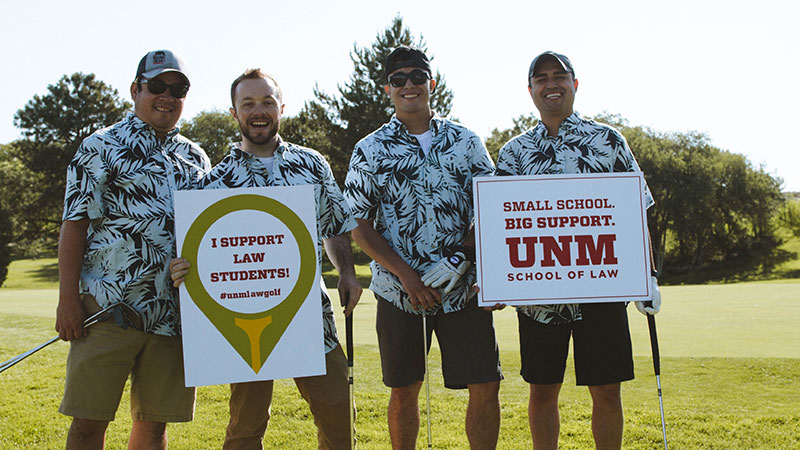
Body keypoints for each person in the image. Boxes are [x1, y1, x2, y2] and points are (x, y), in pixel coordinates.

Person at [169, 68, 362, 450]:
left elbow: (336, 225)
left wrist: (348, 273)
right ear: (234, 113)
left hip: (308, 315)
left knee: (339, 415)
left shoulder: (311, 165)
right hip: (245, 325)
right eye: (249, 103)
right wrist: (182, 268)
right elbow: (200, 255)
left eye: (267, 102)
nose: (259, 111)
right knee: (246, 427)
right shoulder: (214, 183)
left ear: (281, 108)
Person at [494, 51, 661, 450]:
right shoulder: (514, 153)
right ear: (531, 89)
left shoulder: (607, 140)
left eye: (560, 76)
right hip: (539, 296)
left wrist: (648, 275)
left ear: (575, 83)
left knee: (606, 392)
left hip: (601, 291)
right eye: (542, 78)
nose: (551, 84)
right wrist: (497, 281)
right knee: (542, 392)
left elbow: (636, 210)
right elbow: (499, 224)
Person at [343, 46, 503, 450]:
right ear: (387, 89)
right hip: (399, 294)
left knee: (484, 385)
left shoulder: (466, 142)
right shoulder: (370, 149)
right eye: (399, 79)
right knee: (404, 390)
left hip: (462, 289)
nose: (409, 85)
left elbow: (491, 209)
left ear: (431, 83)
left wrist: (464, 256)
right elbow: (358, 225)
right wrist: (407, 276)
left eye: (417, 77)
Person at [56, 49, 210, 450]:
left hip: (171, 317)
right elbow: (75, 225)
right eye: (157, 85)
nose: (167, 95)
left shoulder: (195, 158)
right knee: (89, 424)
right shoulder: (100, 147)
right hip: (107, 312)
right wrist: (68, 300)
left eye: (178, 89)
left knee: (154, 428)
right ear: (135, 90)